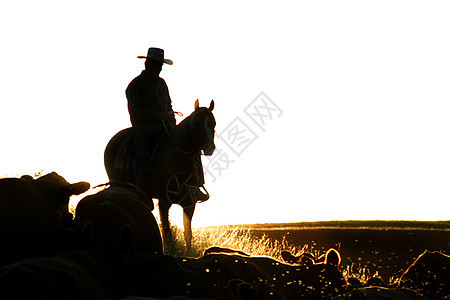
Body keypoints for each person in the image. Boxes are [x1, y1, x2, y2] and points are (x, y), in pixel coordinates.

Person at [126, 47, 208, 201]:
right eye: (157, 64)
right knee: (142, 152)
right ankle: (140, 189)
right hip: (144, 127)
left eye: (160, 65)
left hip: (166, 124)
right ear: (147, 64)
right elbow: (136, 111)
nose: (160, 68)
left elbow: (168, 104)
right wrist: (159, 116)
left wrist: (170, 116)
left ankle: (196, 185)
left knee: (191, 145)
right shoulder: (135, 86)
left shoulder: (162, 84)